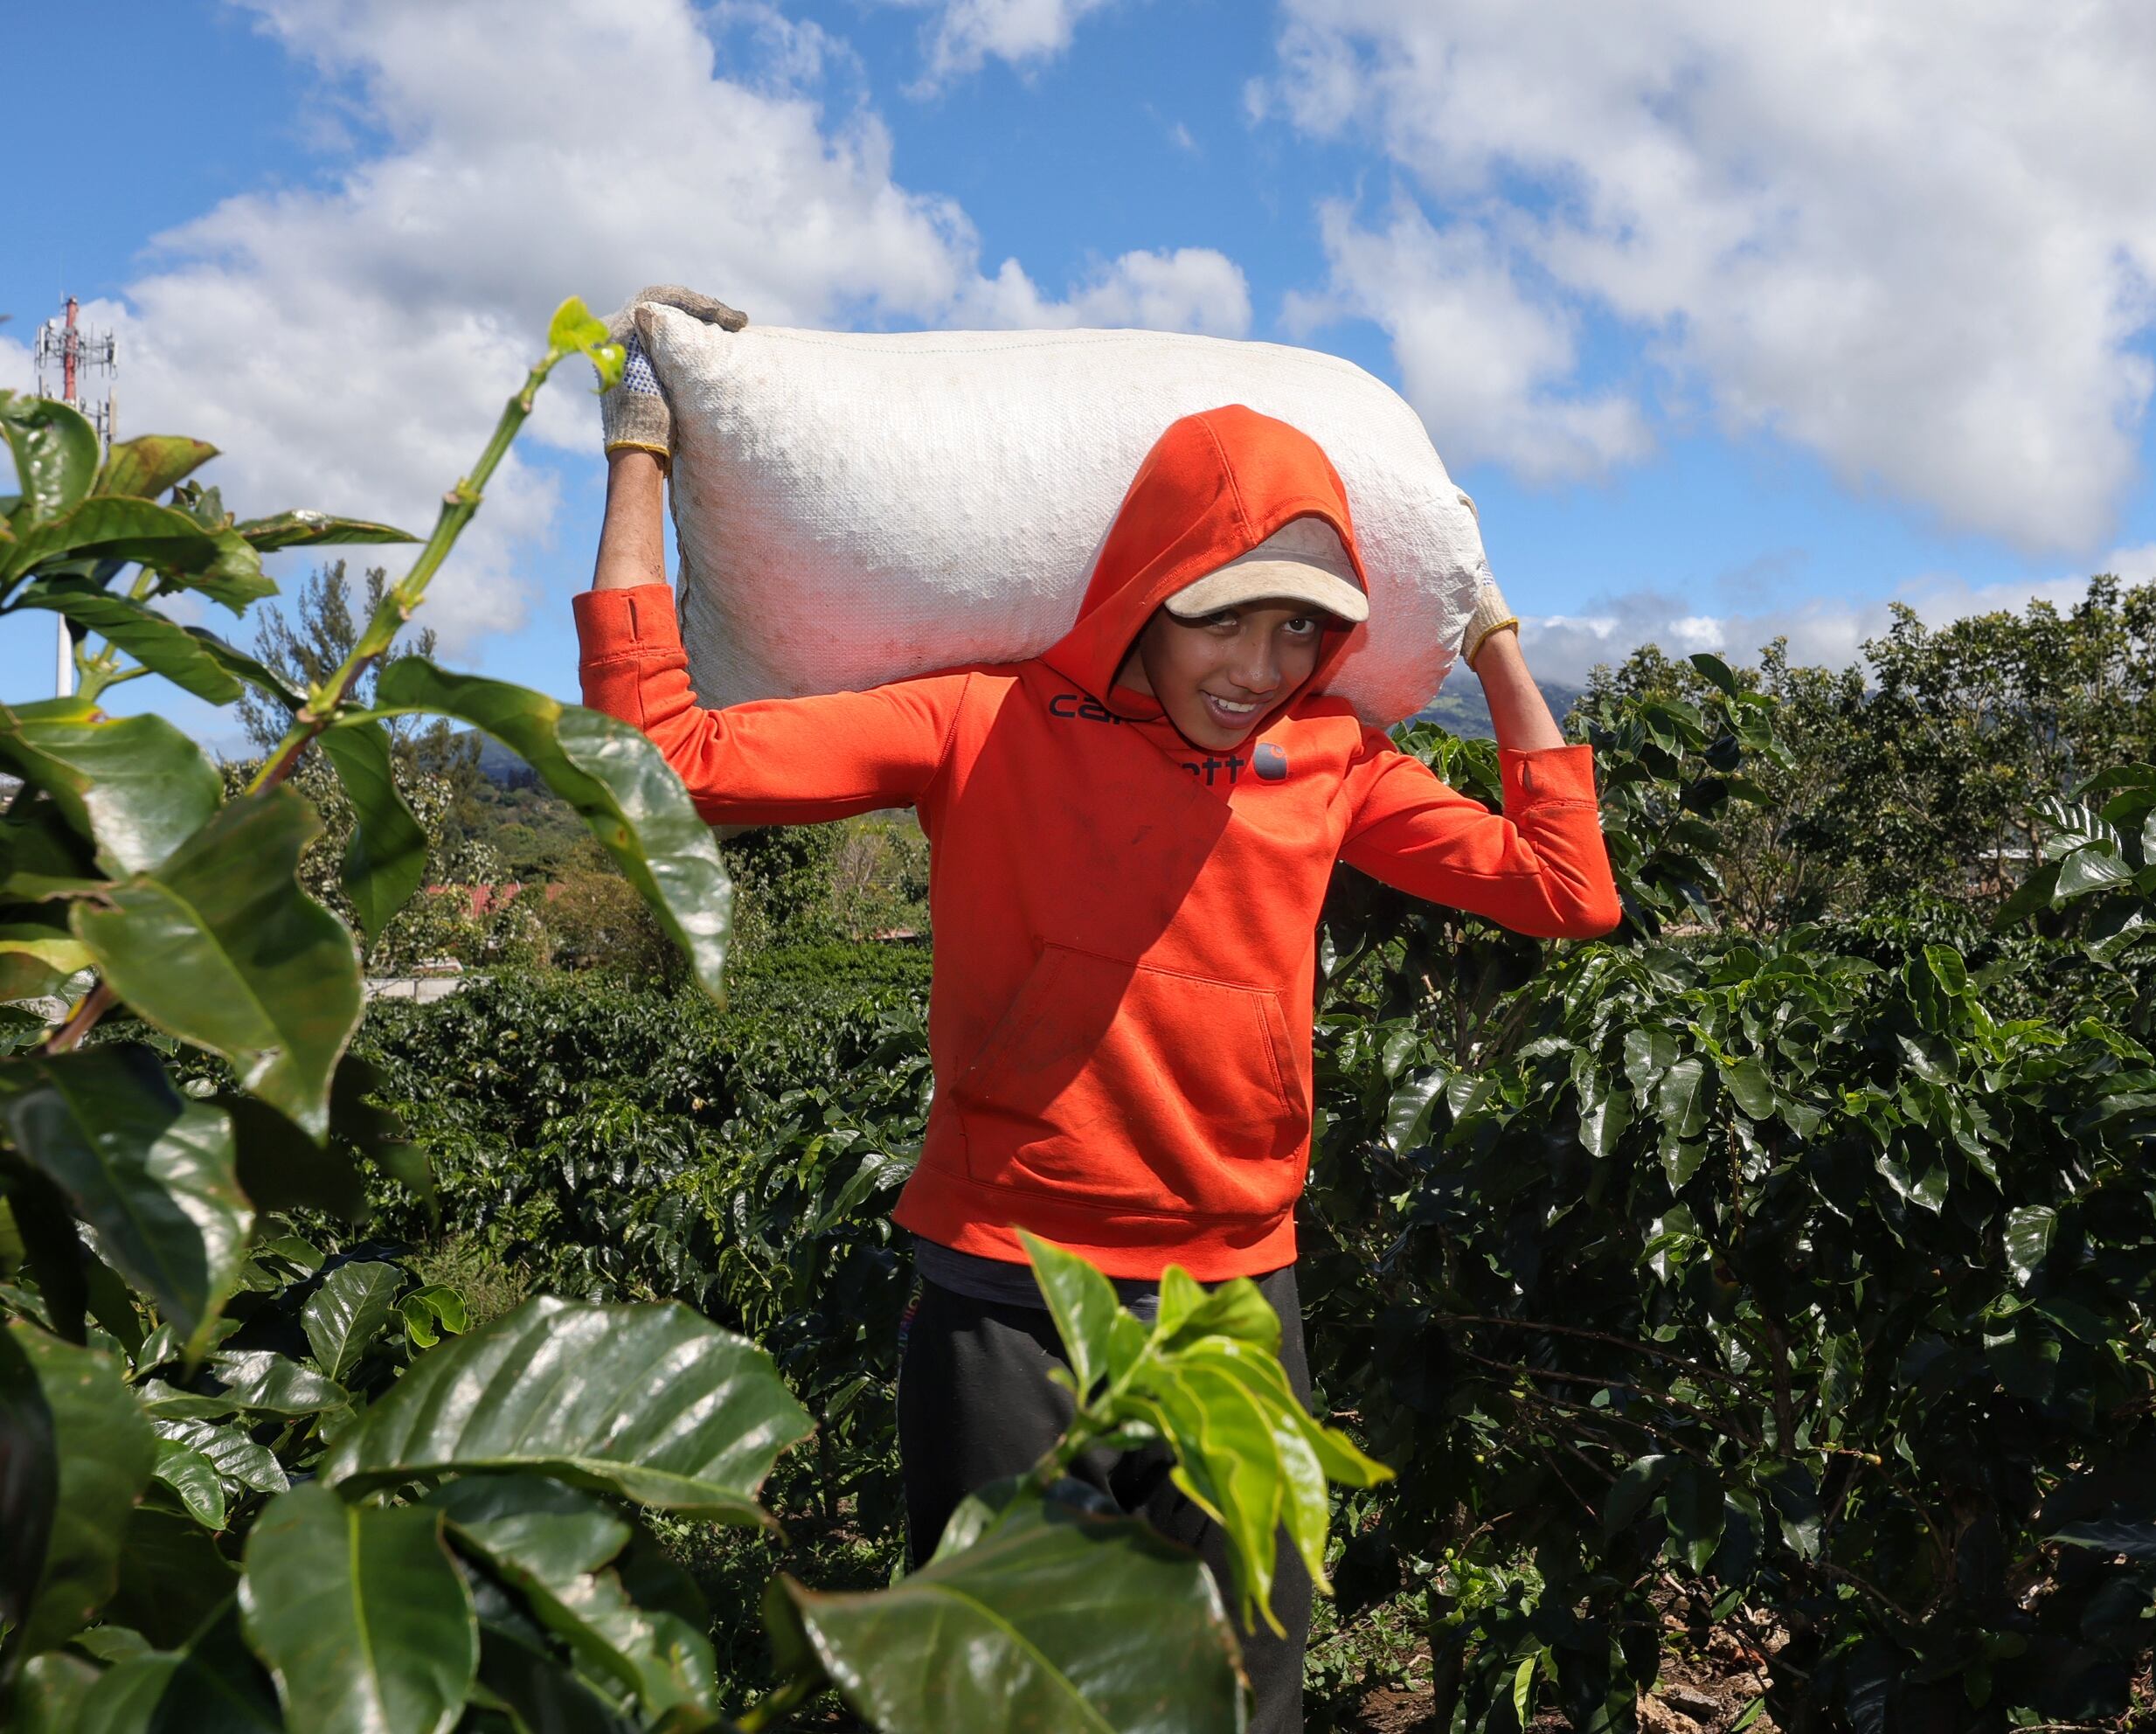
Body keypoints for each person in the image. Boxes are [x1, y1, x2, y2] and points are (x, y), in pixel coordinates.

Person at [577, 286, 1621, 1729]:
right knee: (1008, 1696)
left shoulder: (1336, 758)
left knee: (1250, 1689)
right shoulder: (981, 720)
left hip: (1241, 1298)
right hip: (1009, 1291)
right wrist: (642, 446)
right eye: (1226, 623)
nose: (1260, 674)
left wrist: (1489, 624)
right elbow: (662, 755)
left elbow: (1567, 886)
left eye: (1301, 636)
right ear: (1147, 589)